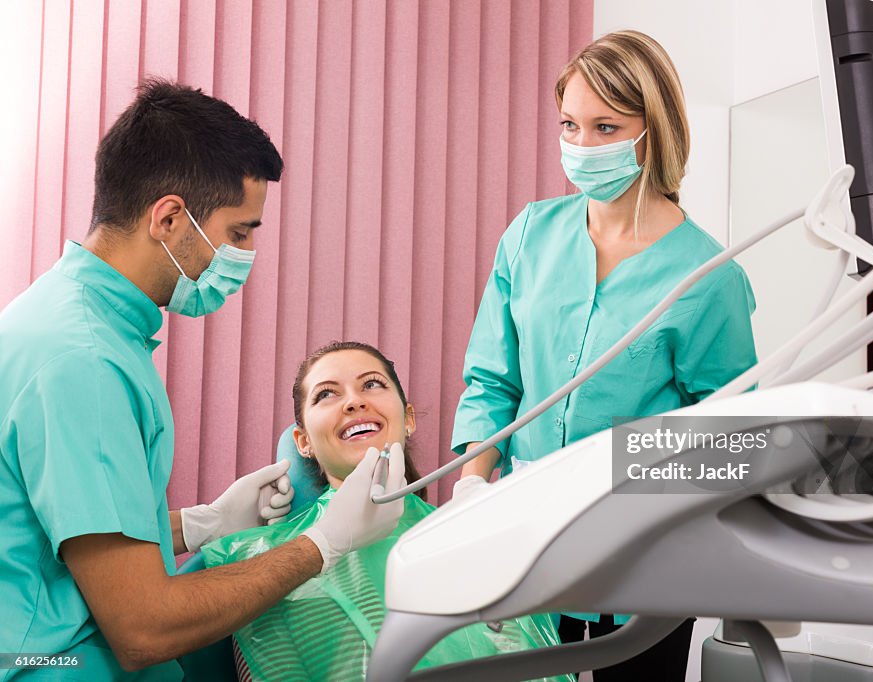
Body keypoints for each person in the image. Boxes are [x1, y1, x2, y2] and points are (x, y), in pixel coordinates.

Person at [0, 80, 404, 680]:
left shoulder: (70, 322)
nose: (244, 253)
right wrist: (321, 545)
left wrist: (199, 524)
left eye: (372, 385)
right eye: (239, 233)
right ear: (169, 218)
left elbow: (57, 526)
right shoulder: (83, 363)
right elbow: (141, 629)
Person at [450, 30, 758, 680]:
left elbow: (729, 437)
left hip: (648, 558)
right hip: (527, 537)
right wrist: (474, 484)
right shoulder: (531, 234)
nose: (581, 146)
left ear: (654, 132)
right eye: (570, 124)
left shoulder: (706, 277)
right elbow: (491, 379)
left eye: (605, 127)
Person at [201, 341, 571, 682]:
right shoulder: (264, 560)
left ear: (408, 419)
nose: (354, 402)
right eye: (326, 393)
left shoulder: (479, 543)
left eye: (372, 384)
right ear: (303, 442)